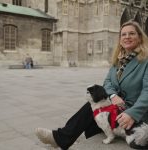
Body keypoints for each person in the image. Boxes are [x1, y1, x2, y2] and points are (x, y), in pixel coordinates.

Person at [35, 20, 148, 149]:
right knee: (92, 104)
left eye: (132, 33)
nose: (127, 37)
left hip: (136, 111)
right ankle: (60, 138)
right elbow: (107, 82)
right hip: (116, 108)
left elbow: (147, 92)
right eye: (123, 34)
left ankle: (63, 137)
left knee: (137, 140)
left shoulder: (145, 60)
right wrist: (112, 96)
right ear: (120, 39)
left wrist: (132, 114)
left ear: (139, 37)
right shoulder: (119, 60)